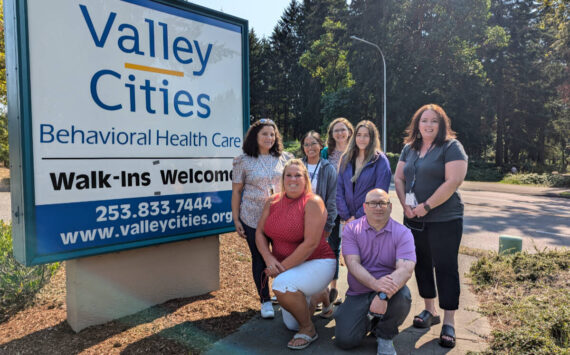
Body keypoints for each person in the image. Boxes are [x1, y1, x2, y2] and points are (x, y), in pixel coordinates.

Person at [394, 104, 468, 349]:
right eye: (424, 121)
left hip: (444, 219)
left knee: (445, 267)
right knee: (422, 264)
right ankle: (430, 311)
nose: (428, 125)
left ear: (441, 124)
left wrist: (425, 206)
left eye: (433, 121)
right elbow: (399, 178)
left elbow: (453, 181)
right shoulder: (409, 148)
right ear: (417, 124)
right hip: (413, 218)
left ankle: (448, 321)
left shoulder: (451, 147)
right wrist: (405, 204)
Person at [256, 159, 336, 350]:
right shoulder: (271, 201)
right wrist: (269, 258)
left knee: (282, 285)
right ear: (283, 179)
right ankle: (321, 295)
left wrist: (280, 269)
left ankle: (308, 329)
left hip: (318, 262)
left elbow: (310, 244)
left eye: (298, 175)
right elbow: (259, 232)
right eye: (288, 175)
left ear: (306, 179)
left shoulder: (313, 202)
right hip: (291, 267)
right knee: (291, 325)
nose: (293, 179)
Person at [334, 189, 416, 355]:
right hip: (359, 292)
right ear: (365, 207)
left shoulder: (403, 233)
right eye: (373, 203)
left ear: (390, 207)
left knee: (404, 295)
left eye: (382, 203)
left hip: (390, 293)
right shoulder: (351, 229)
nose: (378, 207)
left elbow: (406, 269)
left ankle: (385, 336)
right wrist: (375, 284)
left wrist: (382, 294)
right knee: (345, 341)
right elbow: (352, 263)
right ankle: (370, 320)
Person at [232, 118, 293, 319]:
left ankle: (284, 295)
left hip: (279, 218)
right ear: (255, 137)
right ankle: (265, 300)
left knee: (283, 256)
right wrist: (236, 219)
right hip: (252, 218)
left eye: (272, 134)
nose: (269, 137)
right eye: (264, 134)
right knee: (259, 258)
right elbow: (236, 192)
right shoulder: (243, 160)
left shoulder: (284, 158)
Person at [300, 130, 338, 316]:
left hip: (320, 225)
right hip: (300, 225)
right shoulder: (298, 166)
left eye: (313, 143)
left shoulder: (327, 168)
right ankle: (316, 299)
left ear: (321, 146)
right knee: (304, 262)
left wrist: (328, 226)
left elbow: (332, 200)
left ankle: (321, 300)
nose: (310, 148)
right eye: (306, 144)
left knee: (319, 264)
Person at [321, 118, 354, 302]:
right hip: (330, 208)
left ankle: (358, 291)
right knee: (330, 247)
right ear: (331, 134)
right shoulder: (326, 153)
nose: (340, 133)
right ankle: (330, 289)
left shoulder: (356, 151)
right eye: (336, 130)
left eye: (343, 130)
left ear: (349, 131)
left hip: (351, 209)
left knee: (353, 250)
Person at [337, 120, 392, 225]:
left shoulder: (380, 161)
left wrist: (357, 217)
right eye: (359, 135)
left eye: (366, 135)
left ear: (372, 138)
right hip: (347, 220)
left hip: (370, 220)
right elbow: (339, 190)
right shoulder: (346, 158)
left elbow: (379, 195)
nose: (361, 139)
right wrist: (347, 216)